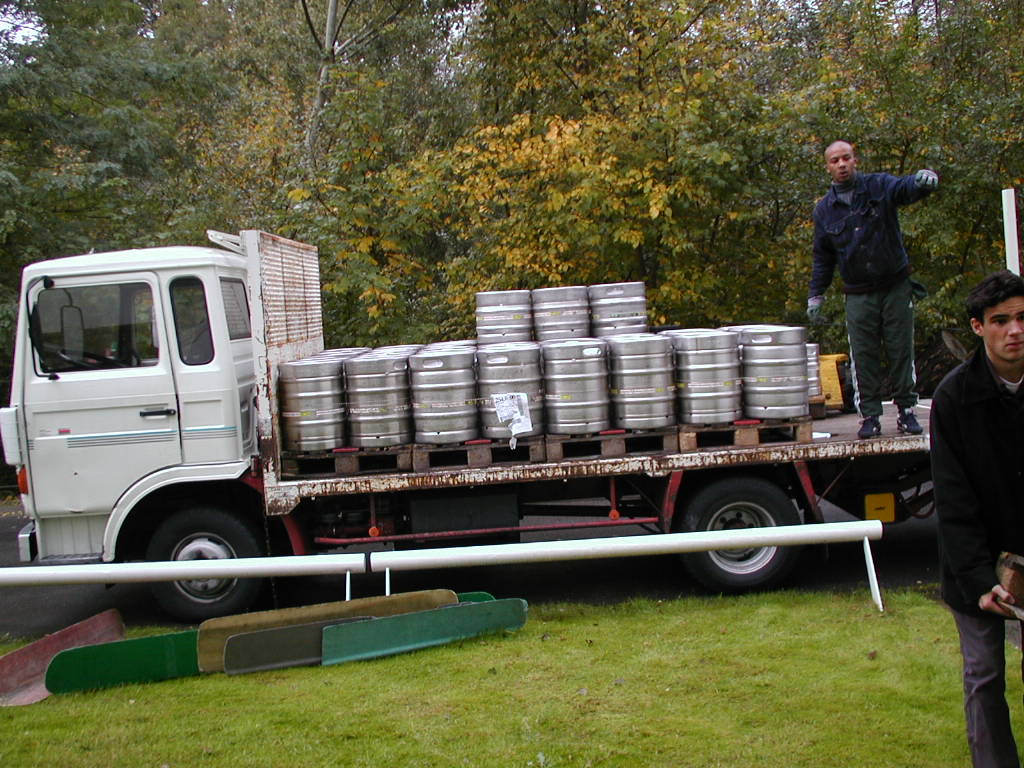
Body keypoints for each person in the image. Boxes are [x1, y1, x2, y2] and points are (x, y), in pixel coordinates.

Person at [931, 269, 1024, 768]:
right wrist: (979, 579)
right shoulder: (954, 397)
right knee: (985, 674)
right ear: (978, 327)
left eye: (1023, 318)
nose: (1015, 330)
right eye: (1001, 320)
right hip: (976, 560)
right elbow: (953, 498)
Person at [806, 140, 938, 439]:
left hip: (894, 285)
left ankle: (907, 411)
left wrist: (922, 181)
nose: (841, 164)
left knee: (900, 349)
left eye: (846, 158)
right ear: (827, 167)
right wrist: (816, 295)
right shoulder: (825, 211)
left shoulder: (879, 186)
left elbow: (905, 189)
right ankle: (869, 417)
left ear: (855, 160)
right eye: (835, 160)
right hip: (858, 293)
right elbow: (823, 257)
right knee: (863, 356)